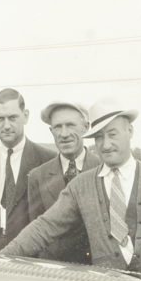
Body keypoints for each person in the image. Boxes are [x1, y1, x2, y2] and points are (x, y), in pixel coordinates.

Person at [0, 98, 141, 281]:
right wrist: (0, 256)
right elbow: (45, 227)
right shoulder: (81, 186)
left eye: (113, 134)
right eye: (99, 137)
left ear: (129, 131)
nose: (106, 144)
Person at [0, 88, 56, 249]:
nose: (7, 125)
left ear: (26, 116)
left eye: (12, 118)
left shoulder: (47, 160)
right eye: (0, 119)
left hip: (27, 254)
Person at [26, 100, 102, 263]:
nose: (64, 133)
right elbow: (35, 234)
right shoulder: (37, 176)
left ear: (86, 128)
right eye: (58, 127)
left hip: (96, 273)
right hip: (53, 272)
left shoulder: (104, 170)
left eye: (71, 125)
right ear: (51, 131)